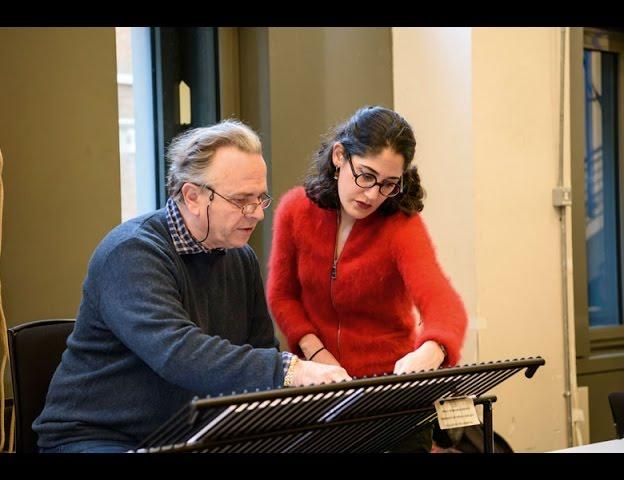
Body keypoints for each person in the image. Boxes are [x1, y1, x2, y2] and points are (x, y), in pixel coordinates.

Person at [33, 120, 350, 453]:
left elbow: (259, 355)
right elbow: (178, 353)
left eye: (261, 198)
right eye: (242, 200)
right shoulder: (131, 252)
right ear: (193, 196)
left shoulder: (240, 258)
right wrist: (292, 370)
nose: (256, 214)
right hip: (96, 436)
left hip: (187, 433)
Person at [266, 106, 468, 452]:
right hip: (319, 391)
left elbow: (443, 303)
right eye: (366, 175)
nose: (373, 194)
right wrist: (316, 352)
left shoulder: (401, 226)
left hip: (391, 399)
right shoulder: (295, 211)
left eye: (389, 183)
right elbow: (281, 295)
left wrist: (432, 350)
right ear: (340, 156)